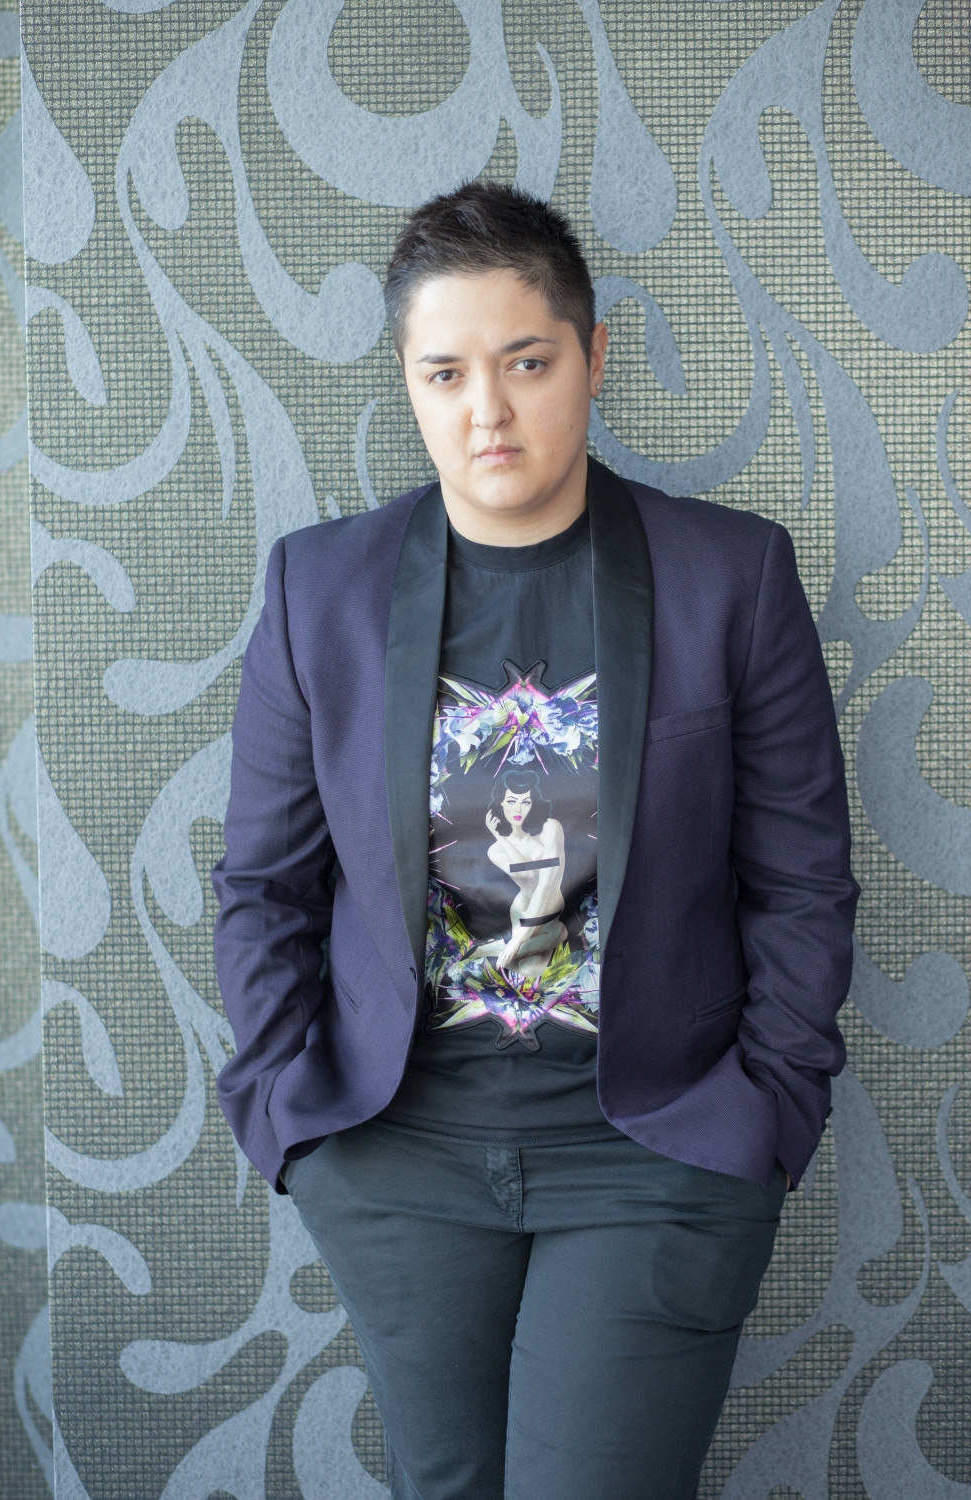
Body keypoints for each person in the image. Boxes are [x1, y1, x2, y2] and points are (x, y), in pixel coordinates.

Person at [212, 180, 858, 1500]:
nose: (487, 413)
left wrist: (769, 1111)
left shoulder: (731, 579)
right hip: (400, 1158)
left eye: (526, 363)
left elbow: (801, 881)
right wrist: (293, 1118)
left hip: (656, 1151)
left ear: (592, 356)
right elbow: (265, 886)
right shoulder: (317, 592)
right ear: (408, 381)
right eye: (445, 373)